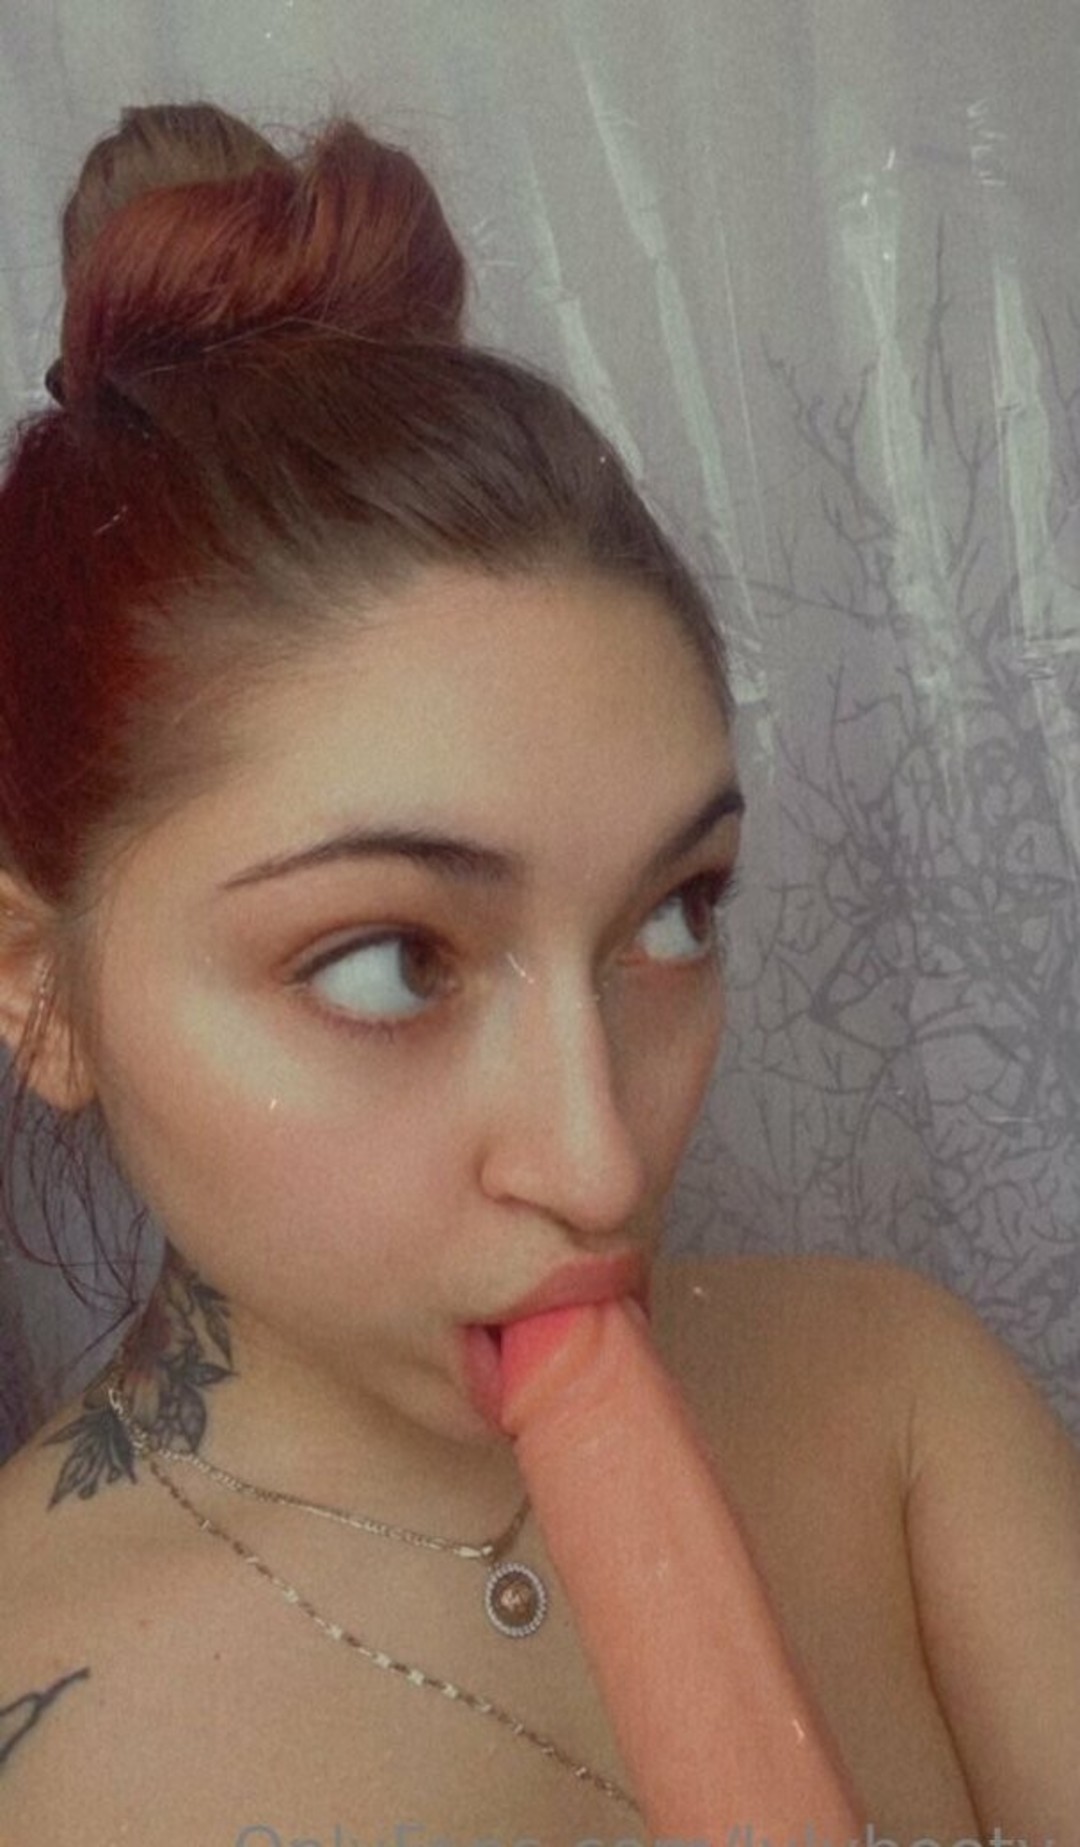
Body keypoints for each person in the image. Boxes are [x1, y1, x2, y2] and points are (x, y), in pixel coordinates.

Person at [0, 101, 1076, 1847]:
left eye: (675, 916)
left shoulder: (899, 1403)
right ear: (35, 988)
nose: (601, 1161)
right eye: (387, 962)